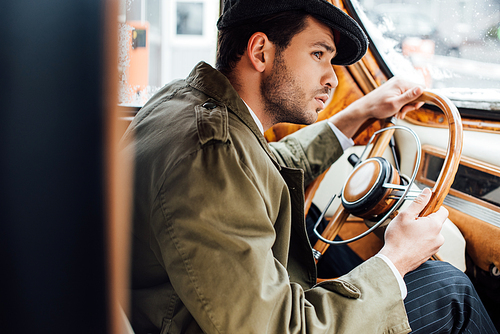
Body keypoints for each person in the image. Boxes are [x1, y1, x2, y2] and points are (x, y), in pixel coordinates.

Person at [122, 0, 498, 333]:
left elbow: (270, 164)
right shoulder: (209, 157)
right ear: (261, 52)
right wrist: (395, 259)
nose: (333, 78)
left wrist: (359, 114)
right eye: (319, 54)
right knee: (448, 291)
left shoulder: (183, 103)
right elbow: (274, 327)